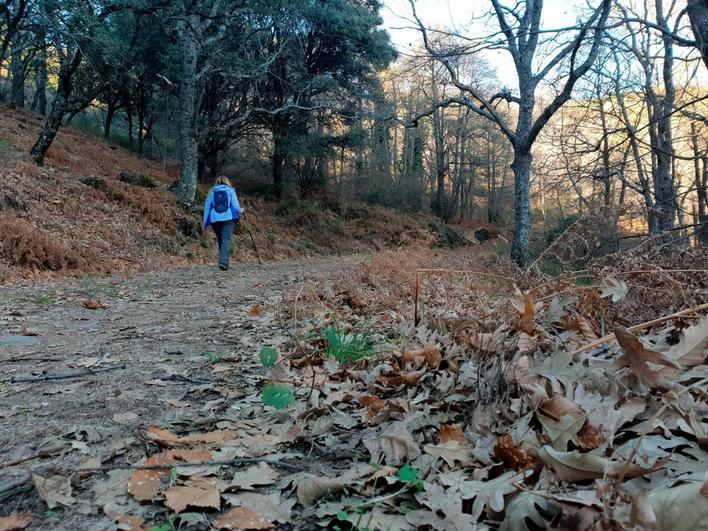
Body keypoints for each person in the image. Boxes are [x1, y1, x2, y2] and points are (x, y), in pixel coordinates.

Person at [203, 175, 244, 270]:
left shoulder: (211, 191)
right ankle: (223, 262)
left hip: (215, 219)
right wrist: (241, 210)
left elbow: (207, 207)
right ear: (227, 181)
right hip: (228, 218)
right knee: (226, 239)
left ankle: (224, 263)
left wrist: (205, 222)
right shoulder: (230, 190)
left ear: (217, 181)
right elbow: (235, 205)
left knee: (221, 239)